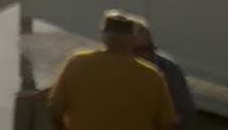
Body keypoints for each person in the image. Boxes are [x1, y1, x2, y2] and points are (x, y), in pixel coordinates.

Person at [48, 11, 177, 130]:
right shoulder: (151, 75)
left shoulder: (77, 64)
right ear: (132, 39)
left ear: (104, 37)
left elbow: (55, 110)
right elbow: (166, 123)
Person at [134, 21, 195, 126]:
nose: (146, 54)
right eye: (138, 50)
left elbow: (184, 109)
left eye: (149, 48)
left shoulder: (169, 68)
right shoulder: (122, 67)